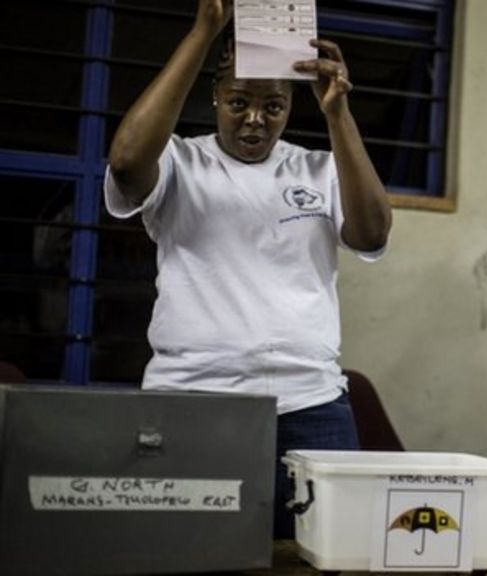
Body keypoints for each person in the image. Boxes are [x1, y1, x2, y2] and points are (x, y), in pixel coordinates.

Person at [104, 0, 392, 539]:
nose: (255, 119)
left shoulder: (318, 167)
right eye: (237, 101)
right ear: (215, 96)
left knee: (325, 553)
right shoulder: (179, 163)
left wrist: (338, 115)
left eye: (274, 106)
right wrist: (204, 31)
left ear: (288, 106)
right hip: (191, 402)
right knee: (182, 554)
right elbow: (124, 162)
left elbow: (372, 233)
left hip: (311, 406)